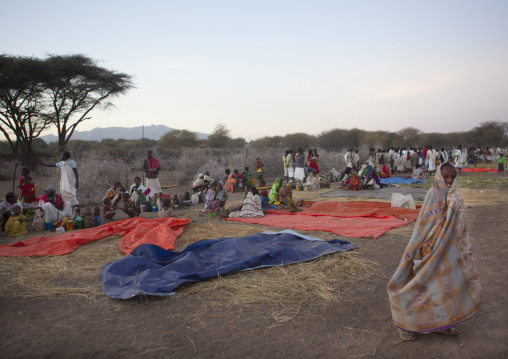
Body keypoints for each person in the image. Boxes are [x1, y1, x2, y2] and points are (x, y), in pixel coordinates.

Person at [387, 163, 481, 341]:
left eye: (453, 177)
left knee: (442, 288)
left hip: (448, 249)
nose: (449, 180)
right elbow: (424, 225)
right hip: (429, 248)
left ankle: (440, 323)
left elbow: (458, 224)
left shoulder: (454, 194)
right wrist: (423, 247)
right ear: (439, 176)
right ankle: (403, 323)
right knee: (418, 285)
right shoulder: (434, 194)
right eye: (446, 176)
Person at [40, 151, 80, 216]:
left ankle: (79, 214)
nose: (61, 156)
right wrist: (43, 163)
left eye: (62, 155)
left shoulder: (72, 163)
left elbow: (76, 173)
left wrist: (77, 182)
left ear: (66, 156)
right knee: (63, 199)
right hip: (64, 184)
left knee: (73, 198)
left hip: (70, 183)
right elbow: (51, 165)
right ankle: (65, 213)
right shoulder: (61, 163)